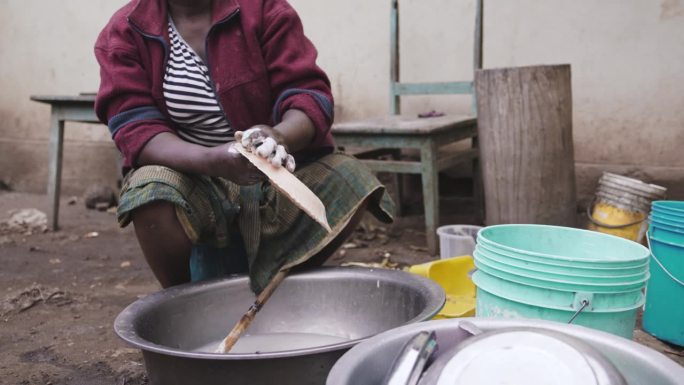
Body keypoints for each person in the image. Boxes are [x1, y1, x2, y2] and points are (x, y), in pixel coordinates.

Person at [94, 0, 394, 293]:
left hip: (273, 173)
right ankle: (183, 304)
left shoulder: (265, 10)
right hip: (190, 178)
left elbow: (307, 94)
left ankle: (276, 290)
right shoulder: (125, 32)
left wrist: (278, 136)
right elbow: (135, 127)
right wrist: (212, 160)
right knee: (150, 194)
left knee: (349, 179)